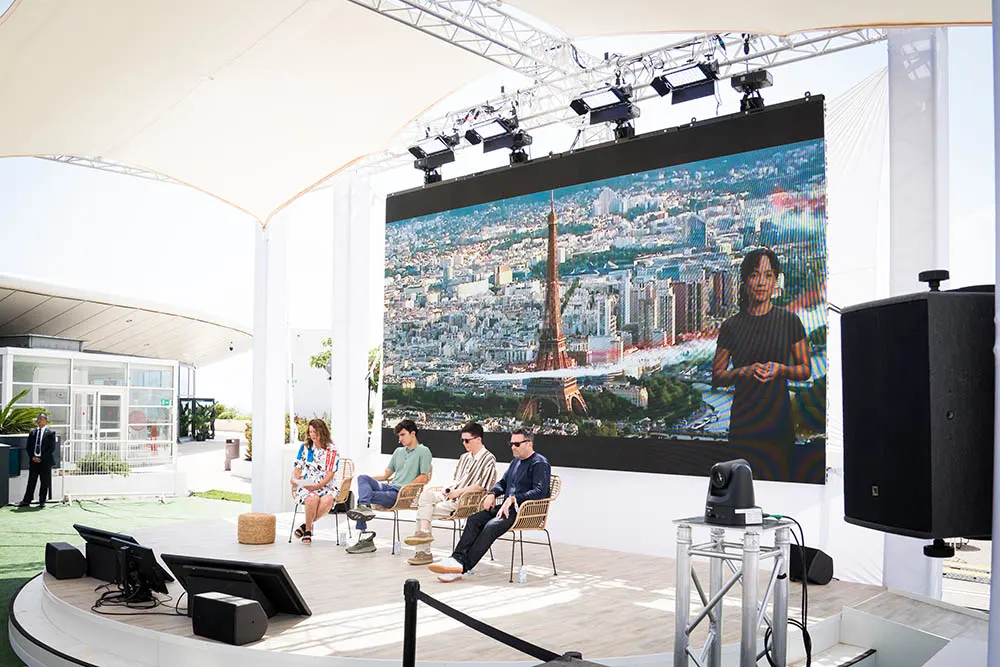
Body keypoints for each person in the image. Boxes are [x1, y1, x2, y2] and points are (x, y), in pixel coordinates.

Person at [711, 247, 811, 466]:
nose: (761, 282)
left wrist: (782, 369)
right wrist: (744, 371)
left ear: (776, 281)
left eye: (768, 276)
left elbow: (805, 370)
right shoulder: (731, 327)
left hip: (779, 425)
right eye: (755, 275)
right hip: (743, 427)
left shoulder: (790, 321)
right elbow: (717, 376)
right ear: (745, 281)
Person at [429, 428, 550, 582]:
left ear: (529, 444)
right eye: (511, 443)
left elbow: (541, 491)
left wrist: (514, 498)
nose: (513, 447)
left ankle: (462, 567)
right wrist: (492, 494)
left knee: (491, 526)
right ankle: (456, 559)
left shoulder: (540, 463)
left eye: (517, 444)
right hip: (505, 508)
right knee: (474, 519)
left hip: (524, 512)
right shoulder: (515, 462)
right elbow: (503, 483)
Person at [404, 421, 497, 566]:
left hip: (465, 502)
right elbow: (456, 480)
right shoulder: (464, 457)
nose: (465, 444)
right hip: (451, 495)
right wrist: (448, 489)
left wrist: (457, 492)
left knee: (423, 512)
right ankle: (424, 533)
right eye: (463, 440)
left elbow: (482, 487)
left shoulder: (488, 459)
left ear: (478, 439)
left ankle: (424, 552)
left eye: (467, 440)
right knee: (426, 495)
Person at [346, 418, 432, 554]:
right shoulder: (398, 452)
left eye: (403, 435)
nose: (400, 439)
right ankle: (364, 509)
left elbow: (424, 477)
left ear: (413, 433)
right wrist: (366, 482)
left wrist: (405, 488)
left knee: (363, 499)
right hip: (389, 487)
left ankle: (365, 538)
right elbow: (386, 475)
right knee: (362, 478)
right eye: (399, 436)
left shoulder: (423, 451)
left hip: (400, 494)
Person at [289, 419, 339, 545]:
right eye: (310, 432)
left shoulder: (331, 450)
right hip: (308, 483)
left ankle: (305, 525)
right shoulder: (305, 448)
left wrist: (317, 486)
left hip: (326, 485)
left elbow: (330, 474)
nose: (312, 435)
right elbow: (297, 468)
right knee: (312, 499)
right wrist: (295, 479)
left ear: (322, 432)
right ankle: (308, 531)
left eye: (315, 432)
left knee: (327, 500)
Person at [18, 413, 57, 508]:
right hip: (34, 461)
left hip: (45, 462)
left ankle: (42, 501)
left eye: (40, 419)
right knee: (31, 481)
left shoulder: (50, 433)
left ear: (45, 420)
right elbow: (29, 447)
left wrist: (41, 458)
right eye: (38, 419)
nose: (38, 421)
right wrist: (33, 457)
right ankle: (27, 500)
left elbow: (51, 448)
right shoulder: (33, 432)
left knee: (44, 482)